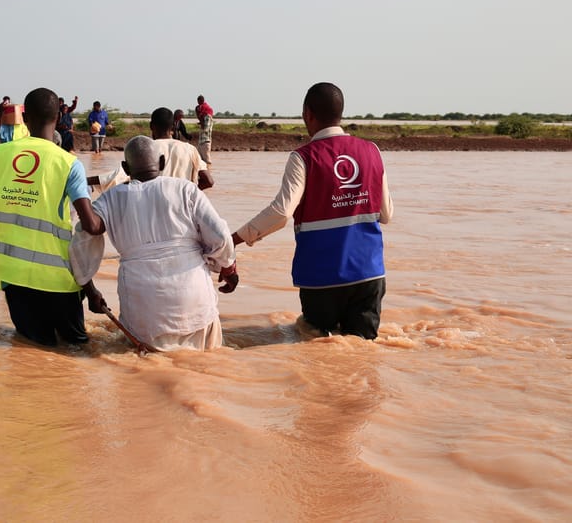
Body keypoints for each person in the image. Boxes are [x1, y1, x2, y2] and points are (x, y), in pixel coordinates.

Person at [232, 82, 394, 340]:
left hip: (322, 278)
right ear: (340, 113)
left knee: (317, 347)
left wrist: (234, 240)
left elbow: (281, 213)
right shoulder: (372, 151)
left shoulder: (303, 157)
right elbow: (386, 214)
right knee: (362, 353)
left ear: (307, 113)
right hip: (369, 274)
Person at [0, 87, 104, 347]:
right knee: (76, 350)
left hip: (13, 277)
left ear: (25, 118)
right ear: (58, 118)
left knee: (33, 347)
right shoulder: (68, 163)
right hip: (58, 279)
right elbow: (89, 225)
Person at [70, 135, 238, 352]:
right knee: (205, 364)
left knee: (145, 367)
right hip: (194, 298)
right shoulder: (186, 190)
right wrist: (227, 267)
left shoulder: (112, 198)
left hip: (142, 304)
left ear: (125, 167)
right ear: (161, 163)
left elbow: (83, 235)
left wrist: (89, 289)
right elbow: (221, 236)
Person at [87, 107, 214, 192]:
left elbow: (115, 177)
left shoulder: (146, 149)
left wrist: (84, 181)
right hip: (183, 215)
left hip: (154, 211)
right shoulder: (190, 150)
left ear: (151, 126)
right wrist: (190, 192)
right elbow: (209, 181)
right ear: (173, 128)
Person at [195, 94, 214, 165]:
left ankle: (208, 173)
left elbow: (205, 128)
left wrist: (201, 121)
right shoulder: (203, 114)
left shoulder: (207, 115)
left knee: (207, 162)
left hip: (205, 142)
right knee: (200, 161)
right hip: (201, 142)